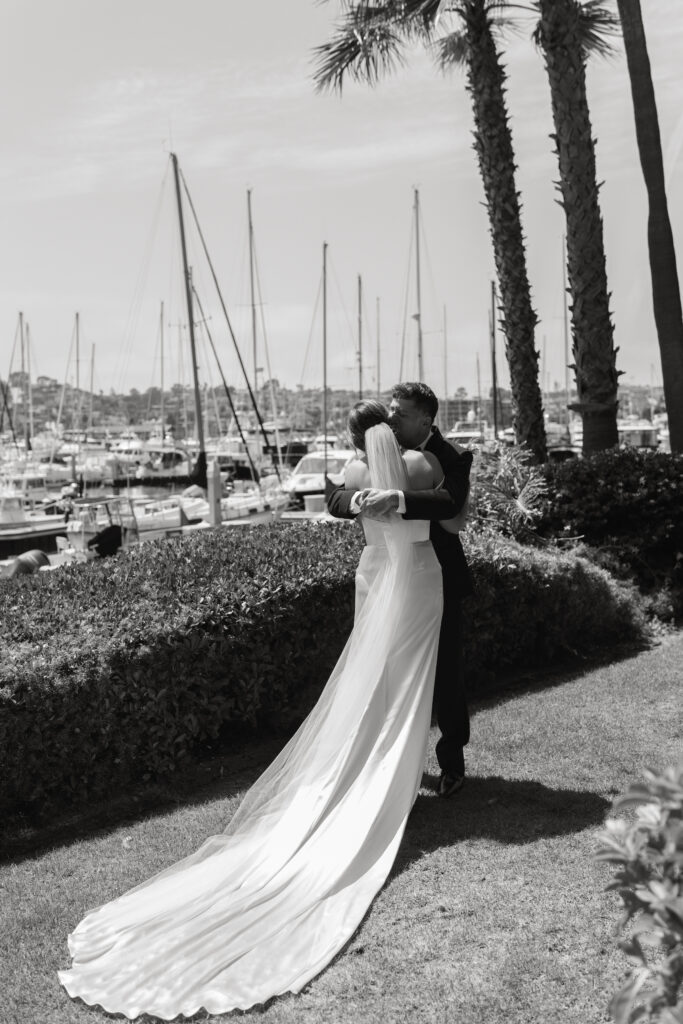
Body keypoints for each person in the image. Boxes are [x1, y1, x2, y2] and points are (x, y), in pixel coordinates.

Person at [58, 401, 450, 1019]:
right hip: (421, 579)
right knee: (405, 679)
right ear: (395, 427)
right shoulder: (422, 463)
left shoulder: (350, 475)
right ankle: (390, 779)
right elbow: (451, 513)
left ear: (353, 436)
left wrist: (369, 499)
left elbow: (341, 505)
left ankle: (375, 770)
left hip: (375, 577)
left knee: (371, 678)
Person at [327, 382, 473, 798]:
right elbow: (336, 497)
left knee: (446, 675)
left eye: (401, 413)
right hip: (394, 573)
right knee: (383, 667)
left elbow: (449, 503)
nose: (392, 418)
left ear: (425, 419)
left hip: (437, 574)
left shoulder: (449, 457)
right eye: (390, 411)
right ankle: (383, 760)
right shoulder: (371, 461)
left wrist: (398, 498)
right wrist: (358, 501)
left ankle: (451, 765)